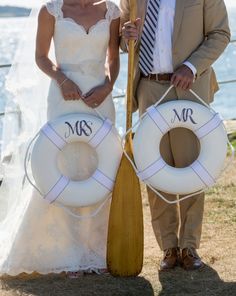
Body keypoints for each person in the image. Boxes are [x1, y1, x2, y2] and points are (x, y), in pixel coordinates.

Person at [0, 0, 120, 277]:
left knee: (98, 167)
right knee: (66, 167)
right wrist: (62, 80)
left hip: (99, 97)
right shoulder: (51, 11)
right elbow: (41, 57)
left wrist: (108, 86)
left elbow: (114, 59)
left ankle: (97, 251)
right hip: (64, 95)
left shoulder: (111, 11)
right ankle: (69, 252)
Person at [121, 0, 230, 270]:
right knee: (155, 168)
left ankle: (189, 247)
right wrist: (125, 37)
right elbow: (124, 43)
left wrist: (192, 66)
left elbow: (220, 33)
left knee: (192, 165)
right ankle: (168, 247)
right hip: (148, 86)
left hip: (189, 86)